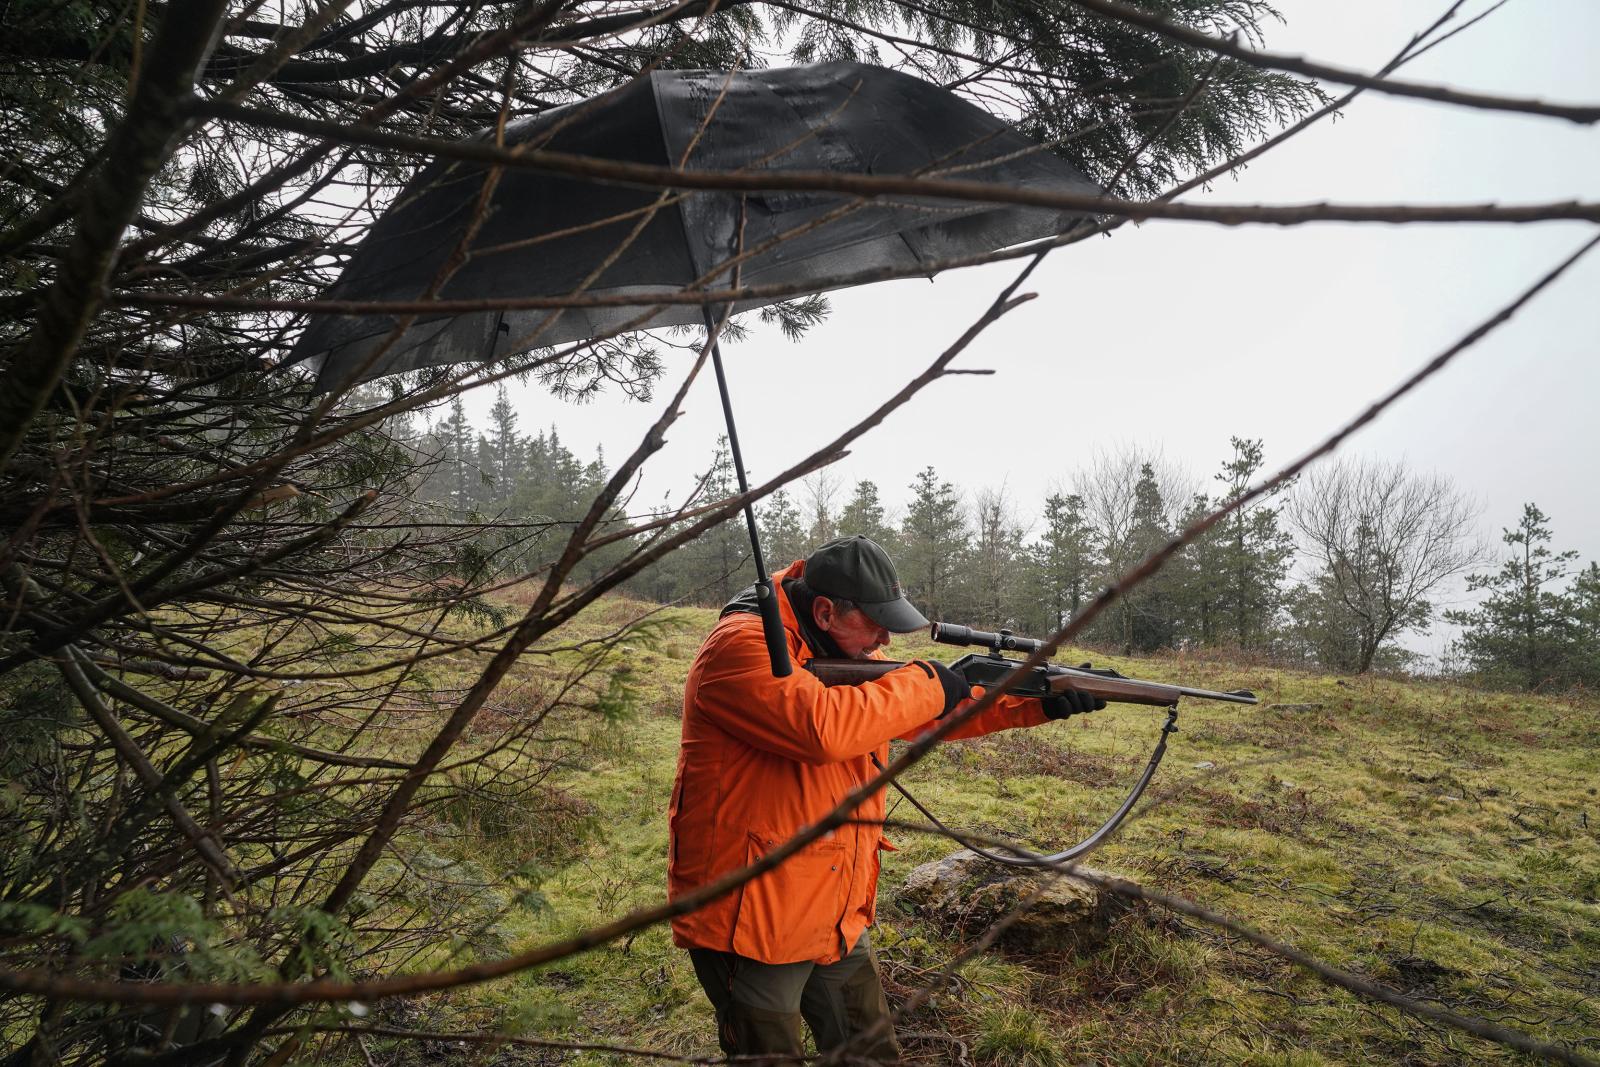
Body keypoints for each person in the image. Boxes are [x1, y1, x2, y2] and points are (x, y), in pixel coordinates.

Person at [667, 535, 1102, 1061]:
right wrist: (929, 684)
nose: (884, 643)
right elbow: (821, 729)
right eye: (875, 625)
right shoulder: (742, 647)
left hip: (834, 905)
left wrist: (1038, 704)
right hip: (752, 911)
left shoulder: (839, 649)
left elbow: (924, 712)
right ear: (825, 612)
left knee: (870, 1053)